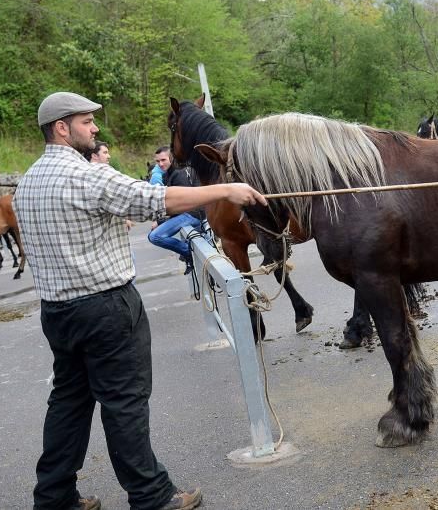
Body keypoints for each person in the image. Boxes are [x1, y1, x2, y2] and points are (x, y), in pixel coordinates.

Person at [14, 91, 266, 510]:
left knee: (68, 402)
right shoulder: (89, 176)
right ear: (62, 128)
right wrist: (227, 189)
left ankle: (54, 496)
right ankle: (151, 496)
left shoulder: (29, 182)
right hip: (106, 308)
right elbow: (157, 200)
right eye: (85, 122)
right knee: (124, 401)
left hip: (57, 312)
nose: (94, 128)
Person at [147, 160, 205, 274]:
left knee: (155, 236)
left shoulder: (179, 174)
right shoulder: (170, 174)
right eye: (158, 161)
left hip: (191, 214)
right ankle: (190, 253)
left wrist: (160, 221)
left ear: (171, 158)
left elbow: (181, 203)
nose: (160, 164)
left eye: (163, 160)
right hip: (189, 214)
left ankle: (189, 252)